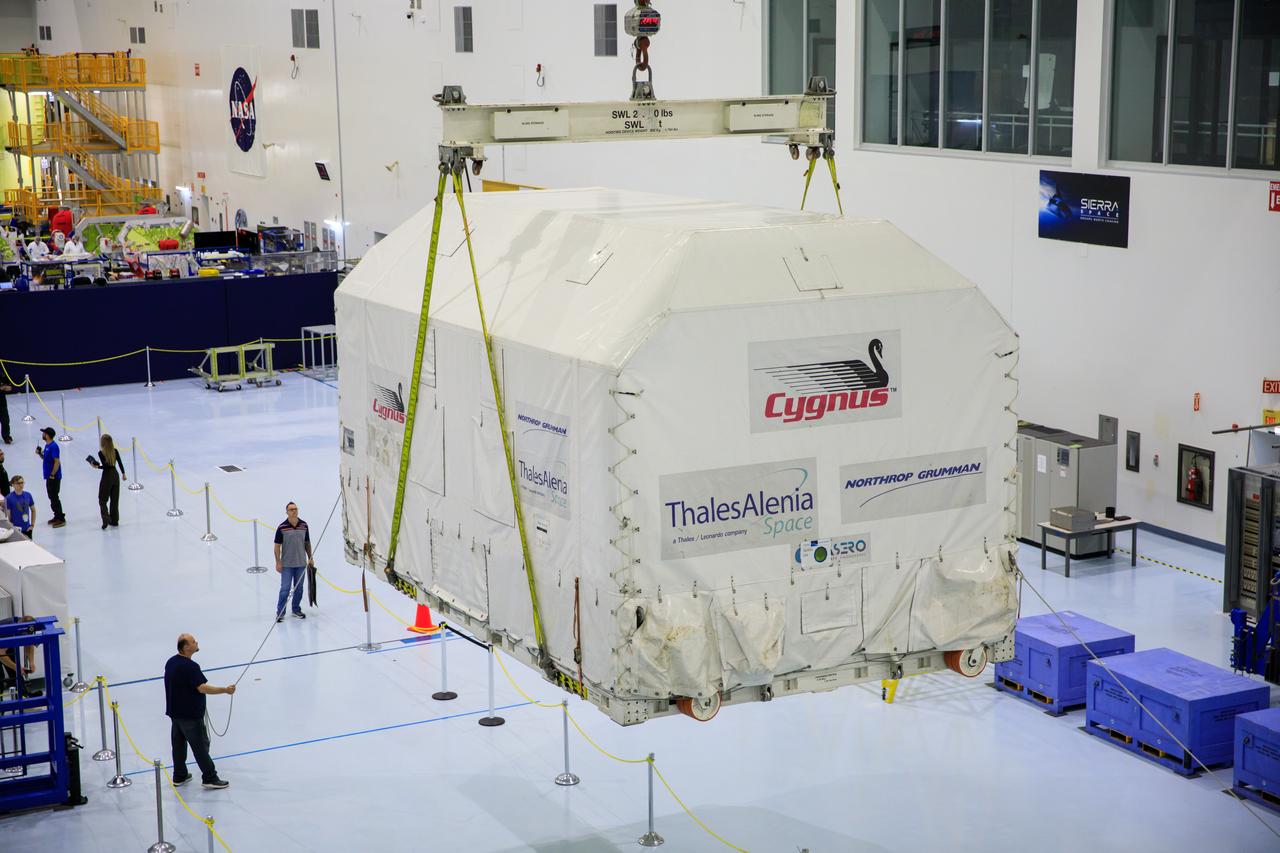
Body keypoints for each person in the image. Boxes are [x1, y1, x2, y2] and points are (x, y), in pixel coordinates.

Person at [164, 634, 232, 789]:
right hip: (190, 715)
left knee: (178, 745)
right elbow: (202, 688)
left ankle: (179, 775)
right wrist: (225, 690)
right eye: (193, 641)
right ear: (186, 647)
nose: (196, 643)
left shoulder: (171, 662)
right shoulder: (191, 667)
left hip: (175, 713)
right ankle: (210, 777)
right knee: (200, 747)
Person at [273, 502, 313, 622]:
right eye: (291, 509)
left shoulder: (304, 525)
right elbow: (277, 546)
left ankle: (296, 609)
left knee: (299, 589)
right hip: (287, 565)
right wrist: (278, 562)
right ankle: (280, 612)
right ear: (287, 512)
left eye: (295, 509)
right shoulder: (282, 527)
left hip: (301, 563)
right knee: (285, 589)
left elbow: (307, 543)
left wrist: (310, 557)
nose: (294, 511)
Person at [88, 433, 127, 529]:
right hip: (115, 475)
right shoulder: (115, 451)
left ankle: (105, 520)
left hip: (107, 476)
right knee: (114, 500)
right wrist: (123, 473)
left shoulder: (101, 453)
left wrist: (96, 466)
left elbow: (105, 466)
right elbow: (119, 463)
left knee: (102, 500)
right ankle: (114, 520)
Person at [36, 427, 64, 527]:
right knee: (51, 496)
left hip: (53, 476)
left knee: (54, 497)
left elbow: (57, 461)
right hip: (49, 476)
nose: (43, 434)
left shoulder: (54, 446)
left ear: (47, 435)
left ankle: (61, 518)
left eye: (44, 433)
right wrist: (40, 453)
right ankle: (56, 515)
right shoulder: (47, 445)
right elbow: (46, 459)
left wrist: (52, 474)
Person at [0, 377, 13, 443]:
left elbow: (9, 387)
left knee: (5, 420)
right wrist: (1, 388)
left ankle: (6, 436)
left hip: (2, 403)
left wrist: (6, 387)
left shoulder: (2, 375)